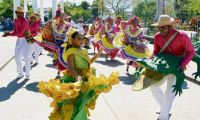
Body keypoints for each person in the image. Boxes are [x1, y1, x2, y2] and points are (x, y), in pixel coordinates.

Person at [37, 31, 119, 119]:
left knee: (82, 104)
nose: (81, 40)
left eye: (82, 38)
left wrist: (99, 53)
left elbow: (89, 62)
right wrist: (77, 78)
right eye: (78, 38)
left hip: (85, 78)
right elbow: (71, 67)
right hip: (75, 80)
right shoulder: (71, 52)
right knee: (75, 106)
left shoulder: (82, 50)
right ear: (72, 40)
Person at [151, 14, 195, 120]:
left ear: (170, 26)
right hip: (162, 65)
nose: (160, 29)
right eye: (159, 27)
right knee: (153, 86)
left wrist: (182, 65)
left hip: (177, 67)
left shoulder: (182, 35)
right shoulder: (157, 36)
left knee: (170, 91)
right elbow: (156, 52)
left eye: (163, 27)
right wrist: (149, 60)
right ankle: (164, 107)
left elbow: (191, 52)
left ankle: (163, 116)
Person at [2, 7, 31, 80]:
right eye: (17, 12)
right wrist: (8, 34)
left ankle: (27, 74)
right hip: (19, 40)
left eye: (21, 13)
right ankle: (21, 73)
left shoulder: (25, 21)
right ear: (16, 13)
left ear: (23, 13)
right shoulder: (15, 20)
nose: (19, 14)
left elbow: (21, 32)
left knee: (26, 58)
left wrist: (8, 34)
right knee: (17, 58)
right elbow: (15, 31)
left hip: (26, 39)